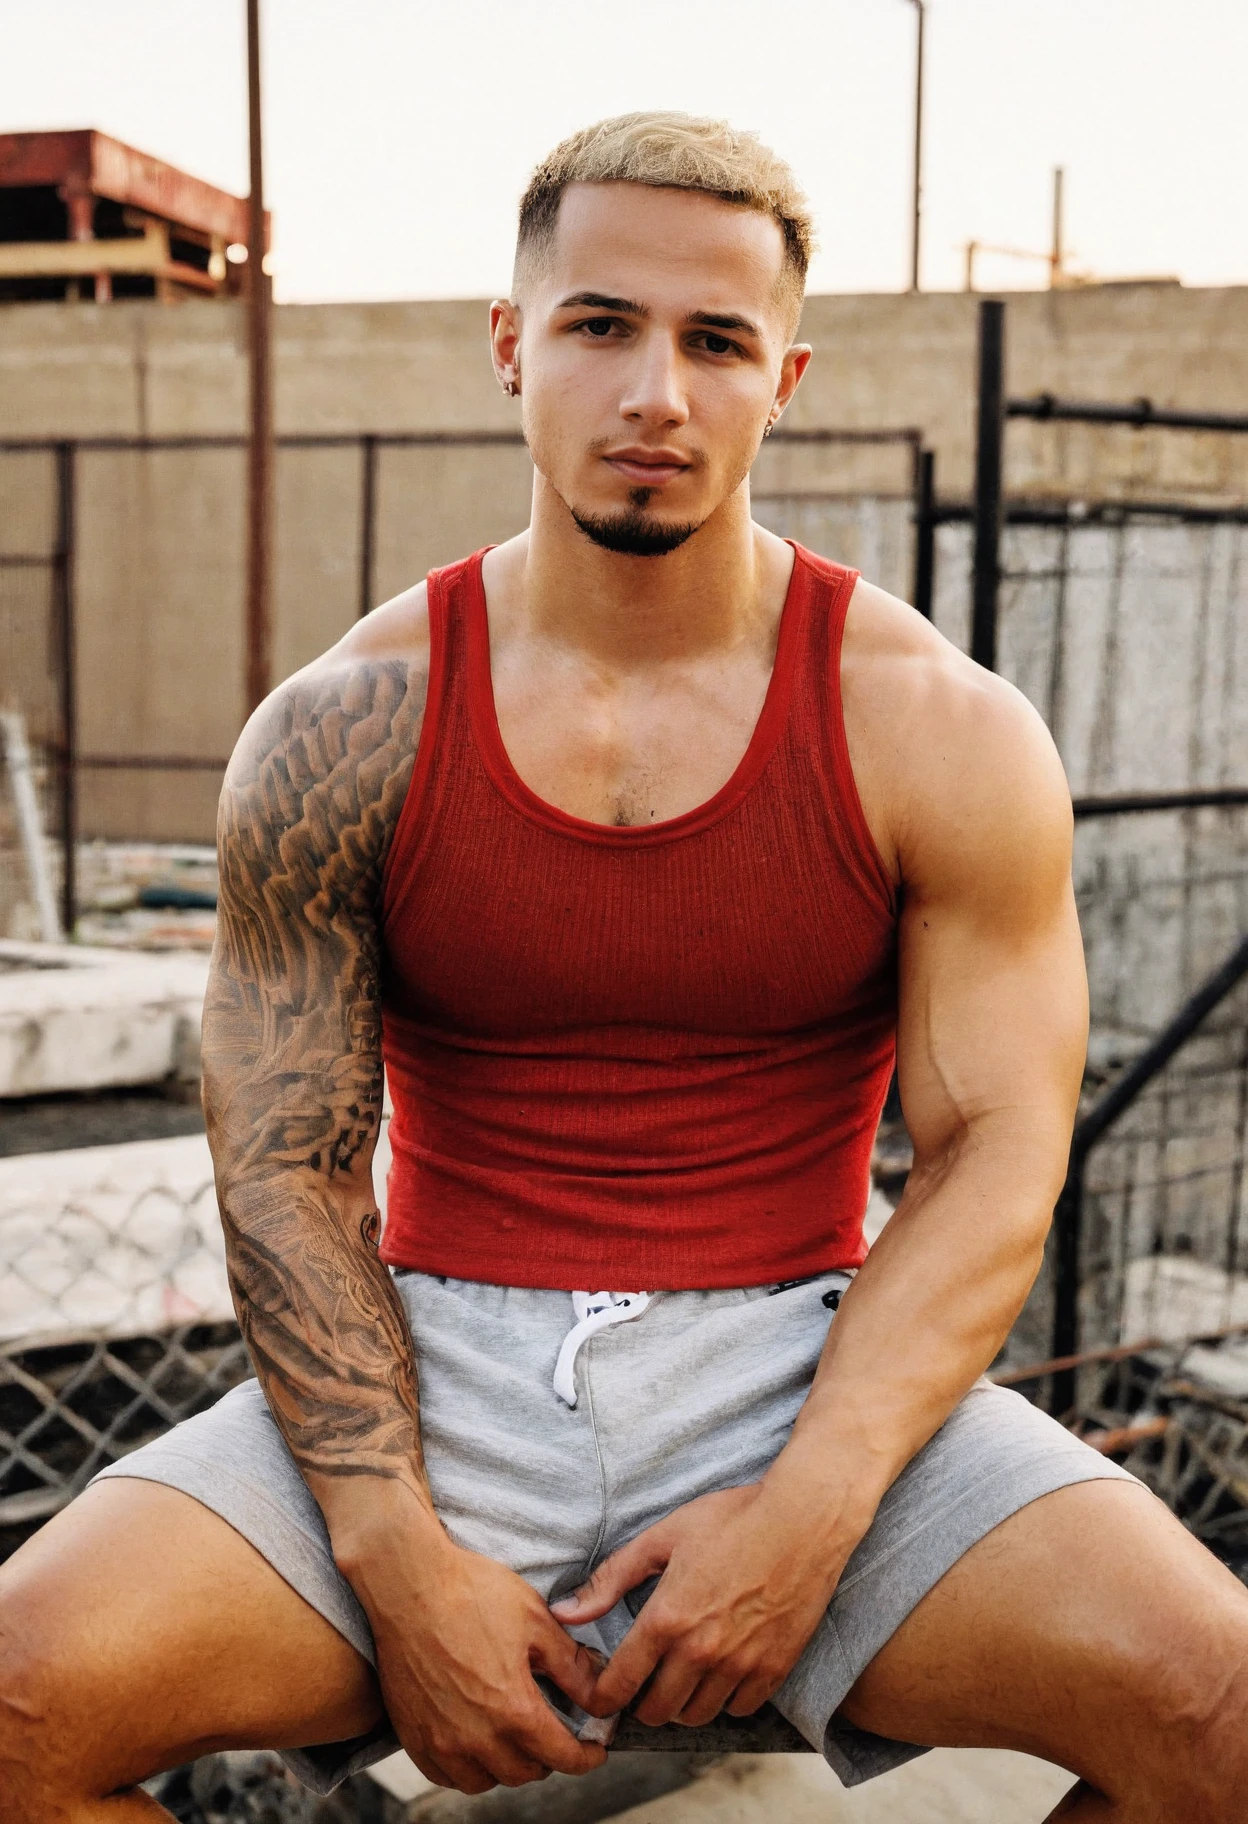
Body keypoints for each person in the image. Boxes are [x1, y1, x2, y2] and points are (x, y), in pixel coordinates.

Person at [3, 113, 1247, 1824]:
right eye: (601, 325)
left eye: (715, 341)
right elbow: (285, 1169)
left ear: (781, 378)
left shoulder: (935, 729)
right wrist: (394, 1550)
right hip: (427, 1372)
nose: (655, 391)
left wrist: (812, 1512)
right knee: (14, 1708)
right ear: (513, 345)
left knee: (1220, 1713)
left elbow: (996, 1158)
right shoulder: (344, 728)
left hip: (804, 1366)